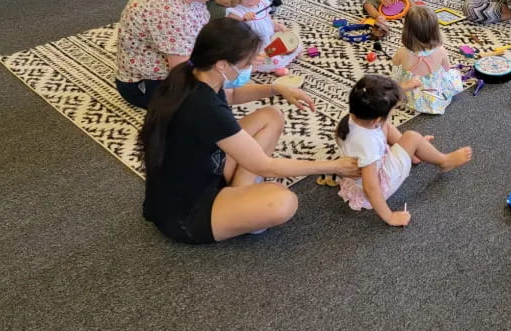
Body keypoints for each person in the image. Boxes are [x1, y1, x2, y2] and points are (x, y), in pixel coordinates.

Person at [139, 18, 359, 244]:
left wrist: (277, 88)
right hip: (185, 213)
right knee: (283, 201)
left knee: (271, 116)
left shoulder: (192, 72)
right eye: (245, 63)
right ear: (222, 65)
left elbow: (232, 95)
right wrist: (333, 166)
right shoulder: (204, 108)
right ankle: (240, 206)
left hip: (202, 171)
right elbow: (266, 165)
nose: (249, 67)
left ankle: (240, 195)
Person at [335, 74, 472, 227]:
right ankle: (444, 161)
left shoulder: (353, 117)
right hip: (377, 186)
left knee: (389, 127)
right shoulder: (368, 144)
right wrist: (390, 217)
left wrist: (404, 87)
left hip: (357, 174)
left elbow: (377, 100)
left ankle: (412, 153)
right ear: (376, 119)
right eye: (391, 111)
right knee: (411, 137)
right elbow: (371, 187)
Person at [115, 0, 231, 109]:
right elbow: (181, 71)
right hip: (145, 85)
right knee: (212, 98)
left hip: (165, 61)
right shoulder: (172, 14)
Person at [225, 0, 299, 75]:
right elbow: (230, 28)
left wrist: (275, 25)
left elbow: (267, 18)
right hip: (255, 44)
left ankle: (278, 60)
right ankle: (276, 67)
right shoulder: (236, 12)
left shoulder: (261, 2)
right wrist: (243, 19)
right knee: (267, 58)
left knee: (291, 43)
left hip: (268, 36)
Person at [390, 5, 464, 114]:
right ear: (435, 31)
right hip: (434, 92)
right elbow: (447, 68)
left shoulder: (402, 52)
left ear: (407, 31)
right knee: (452, 74)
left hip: (412, 91)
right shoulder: (441, 50)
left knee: (397, 75)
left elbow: (395, 64)